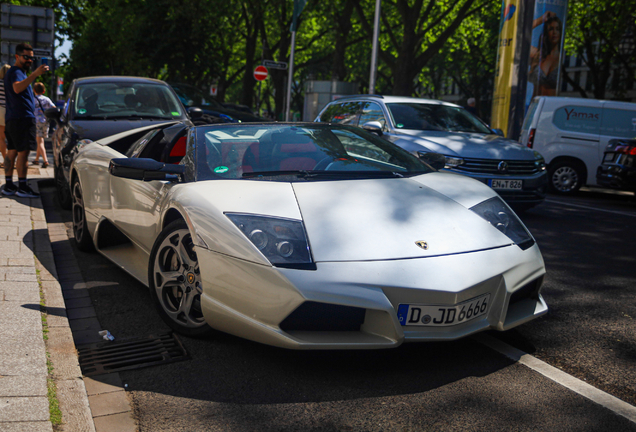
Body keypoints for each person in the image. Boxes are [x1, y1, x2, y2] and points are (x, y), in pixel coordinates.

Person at [2, 42, 49, 197]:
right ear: (17, 57)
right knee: (23, 153)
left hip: (13, 118)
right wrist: (35, 74)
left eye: (31, 58)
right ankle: (22, 187)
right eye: (26, 57)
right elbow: (17, 88)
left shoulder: (18, 72)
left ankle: (8, 185)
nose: (29, 60)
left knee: (12, 152)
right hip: (21, 118)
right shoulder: (16, 71)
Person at [529, 11, 562, 98]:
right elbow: (518, 35)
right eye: (551, 29)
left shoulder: (561, 57)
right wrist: (541, 20)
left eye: (557, 29)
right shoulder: (537, 54)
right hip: (534, 106)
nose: (554, 32)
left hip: (551, 107)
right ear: (546, 33)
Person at [32, 82, 54, 168]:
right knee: (40, 140)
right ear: (44, 91)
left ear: (34, 90)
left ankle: (45, 160)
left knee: (40, 141)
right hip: (45, 122)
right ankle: (36, 159)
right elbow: (54, 108)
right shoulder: (47, 99)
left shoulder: (32, 99)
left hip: (36, 122)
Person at [0, 64, 10, 168]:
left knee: (1, 138)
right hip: (9, 111)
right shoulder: (12, 84)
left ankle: (6, 160)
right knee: (10, 137)